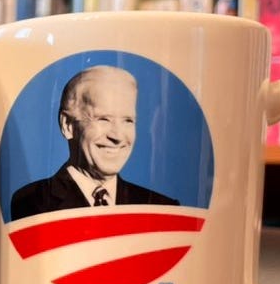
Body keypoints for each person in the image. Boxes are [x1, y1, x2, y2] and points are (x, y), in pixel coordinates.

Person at [11, 66, 178, 221]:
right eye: (103, 119)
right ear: (68, 125)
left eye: (128, 120)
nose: (118, 136)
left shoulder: (164, 210)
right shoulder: (31, 204)